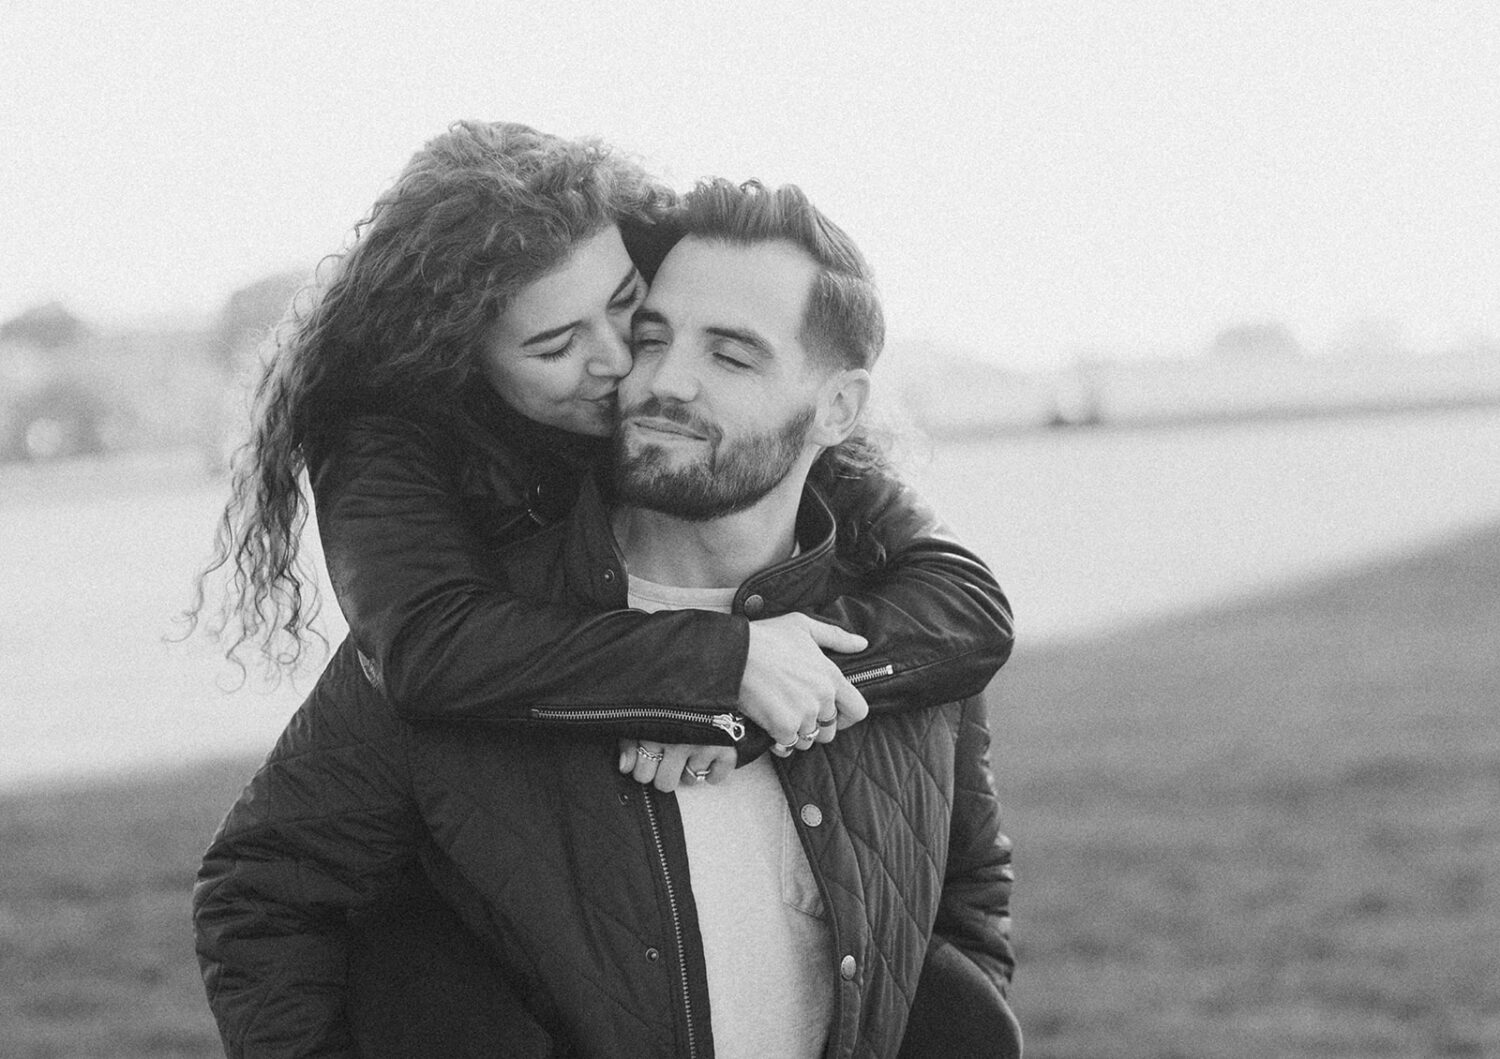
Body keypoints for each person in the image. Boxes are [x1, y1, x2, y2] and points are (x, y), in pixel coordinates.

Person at [195, 179, 1019, 1058]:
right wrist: (715, 670)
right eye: (654, 335)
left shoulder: (906, 633)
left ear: (839, 408)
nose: (659, 378)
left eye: (731, 356)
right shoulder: (463, 634)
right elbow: (258, 894)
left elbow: (964, 895)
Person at [186, 120, 1014, 762]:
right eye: (556, 346)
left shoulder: (708, 397)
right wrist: (719, 672)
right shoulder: (385, 426)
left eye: (627, 304)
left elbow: (963, 606)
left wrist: (755, 704)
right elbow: (433, 649)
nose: (622, 363)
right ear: (456, 358)